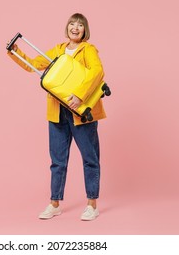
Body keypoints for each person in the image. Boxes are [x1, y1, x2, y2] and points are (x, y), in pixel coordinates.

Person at [7, 13, 106, 221]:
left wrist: (79, 95)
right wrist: (16, 52)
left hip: (80, 112)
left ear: (85, 30)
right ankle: (55, 203)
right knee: (57, 160)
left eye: (80, 25)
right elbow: (33, 64)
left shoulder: (88, 50)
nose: (75, 28)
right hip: (57, 112)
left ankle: (92, 204)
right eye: (72, 24)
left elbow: (97, 72)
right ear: (67, 27)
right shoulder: (58, 50)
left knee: (90, 158)